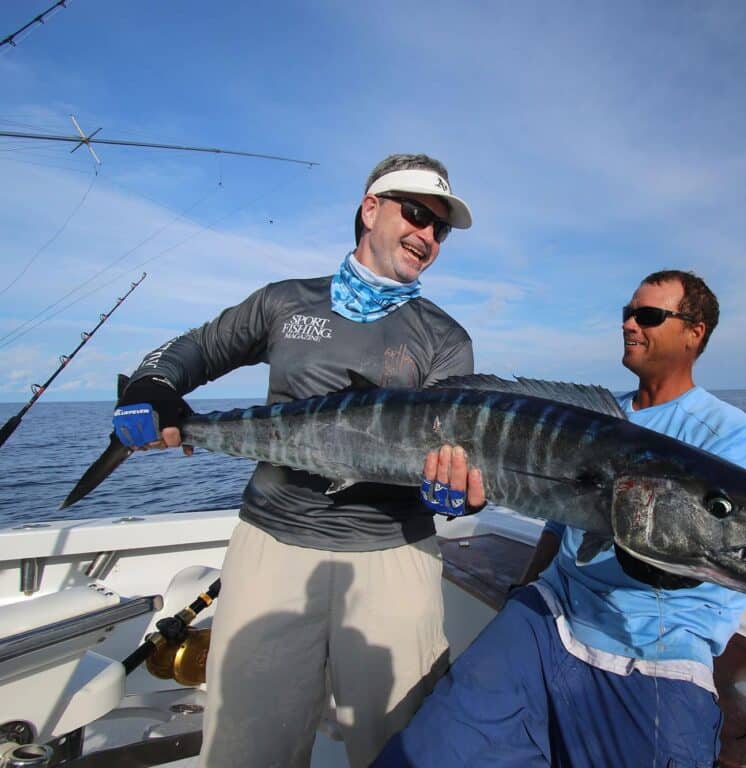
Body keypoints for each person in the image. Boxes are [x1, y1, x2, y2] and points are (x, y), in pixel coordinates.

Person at [111, 154, 475, 768]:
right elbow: (191, 350)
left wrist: (455, 488)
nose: (427, 236)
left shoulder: (444, 338)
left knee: (400, 748)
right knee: (247, 749)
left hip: (393, 557)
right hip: (270, 548)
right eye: (416, 213)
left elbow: (450, 447)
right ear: (370, 209)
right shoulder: (286, 302)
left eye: (439, 228)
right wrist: (152, 384)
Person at [375, 269, 746, 768]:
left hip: (651, 654)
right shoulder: (599, 415)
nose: (629, 324)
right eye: (627, 313)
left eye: (647, 316)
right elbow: (562, 520)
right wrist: (521, 592)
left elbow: (719, 547)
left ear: (695, 333)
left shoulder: (727, 432)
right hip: (549, 618)